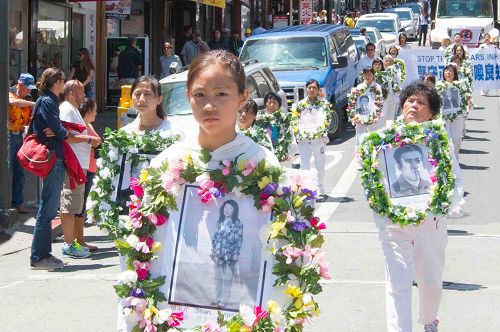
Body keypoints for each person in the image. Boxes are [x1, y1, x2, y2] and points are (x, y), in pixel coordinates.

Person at [116, 49, 279, 331]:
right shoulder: (167, 162)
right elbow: (141, 246)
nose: (209, 106)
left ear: (242, 96)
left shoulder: (262, 163)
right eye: (200, 95)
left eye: (221, 94)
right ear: (188, 95)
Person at [373, 81, 463, 332]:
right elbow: (374, 176)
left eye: (421, 102)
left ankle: (429, 319)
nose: (414, 105)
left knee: (430, 282)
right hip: (394, 225)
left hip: (429, 223)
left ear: (432, 113)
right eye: (410, 100)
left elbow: (454, 178)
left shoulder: (439, 140)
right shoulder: (383, 138)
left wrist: (446, 204)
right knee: (397, 285)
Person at [30, 68, 89, 269]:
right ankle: (40, 256)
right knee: (47, 208)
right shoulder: (48, 101)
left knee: (48, 207)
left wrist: (57, 131)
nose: (64, 84)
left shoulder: (49, 100)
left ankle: (42, 255)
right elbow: (60, 131)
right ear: (57, 82)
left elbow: (56, 129)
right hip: (52, 157)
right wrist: (58, 132)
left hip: (55, 156)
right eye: (63, 80)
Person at [59, 80, 101, 258]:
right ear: (71, 93)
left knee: (75, 206)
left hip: (78, 164)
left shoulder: (72, 109)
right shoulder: (67, 109)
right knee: (70, 205)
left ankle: (73, 243)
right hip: (73, 164)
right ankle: (69, 245)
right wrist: (88, 139)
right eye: (81, 92)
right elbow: (67, 135)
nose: (84, 96)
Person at [292, 79, 331, 199]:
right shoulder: (300, 105)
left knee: (320, 164)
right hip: (304, 139)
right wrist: (297, 135)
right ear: (306, 89)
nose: (312, 90)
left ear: (318, 90)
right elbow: (294, 122)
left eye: (314, 87)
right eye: (309, 87)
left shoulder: (324, 104)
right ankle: (306, 189)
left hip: (318, 139)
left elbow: (327, 120)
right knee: (304, 165)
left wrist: (322, 130)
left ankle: (320, 188)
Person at [8, 73, 36, 214]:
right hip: (9, 136)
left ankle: (18, 202)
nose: (29, 91)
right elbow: (13, 103)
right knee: (7, 170)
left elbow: (30, 117)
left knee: (20, 170)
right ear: (20, 84)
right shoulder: (10, 93)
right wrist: (32, 104)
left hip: (21, 135)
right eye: (28, 88)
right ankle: (6, 203)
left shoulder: (28, 98)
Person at [210, 199, 243, 308]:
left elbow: (239, 239)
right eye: (225, 207)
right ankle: (217, 299)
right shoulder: (219, 221)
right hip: (217, 255)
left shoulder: (238, 223)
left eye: (230, 208)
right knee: (218, 278)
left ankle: (224, 301)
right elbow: (215, 237)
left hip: (230, 255)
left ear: (234, 210)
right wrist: (213, 250)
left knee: (227, 279)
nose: (227, 210)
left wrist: (236, 253)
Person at [437, 63, 470, 156]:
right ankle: (447, 160)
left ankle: (455, 158)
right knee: (445, 139)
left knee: (456, 138)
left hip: (457, 115)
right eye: (446, 70)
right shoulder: (439, 85)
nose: (448, 72)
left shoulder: (461, 85)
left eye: (451, 70)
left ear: (454, 73)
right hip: (443, 116)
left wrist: (466, 109)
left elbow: (466, 98)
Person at [255, 91, 295, 162]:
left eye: (274, 103)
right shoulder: (259, 119)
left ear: (279, 105)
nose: (271, 105)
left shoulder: (283, 119)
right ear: (265, 104)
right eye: (269, 102)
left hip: (279, 155)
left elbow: (289, 136)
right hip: (263, 154)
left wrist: (287, 152)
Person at [78, 98, 100, 228]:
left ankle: (79, 236)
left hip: (90, 166)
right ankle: (78, 238)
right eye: (95, 110)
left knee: (83, 201)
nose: (96, 113)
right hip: (85, 167)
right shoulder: (82, 127)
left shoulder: (88, 125)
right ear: (89, 111)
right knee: (80, 202)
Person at [352, 67, 382, 145]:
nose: (367, 77)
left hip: (373, 113)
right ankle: (359, 152)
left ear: (373, 75)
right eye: (366, 75)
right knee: (360, 134)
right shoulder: (359, 87)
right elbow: (354, 101)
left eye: (369, 75)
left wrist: (377, 113)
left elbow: (380, 101)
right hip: (361, 113)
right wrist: (355, 115)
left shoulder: (377, 87)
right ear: (363, 76)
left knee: (373, 133)